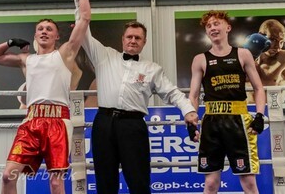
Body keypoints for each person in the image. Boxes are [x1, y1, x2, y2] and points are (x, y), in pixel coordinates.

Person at [0, 0, 90, 194]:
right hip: (32, 122)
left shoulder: (65, 54)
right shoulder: (26, 60)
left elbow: (84, 20)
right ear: (35, 34)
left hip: (58, 122)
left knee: (56, 182)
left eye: (49, 29)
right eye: (40, 28)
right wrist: (10, 42)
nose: (44, 31)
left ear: (56, 37)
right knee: (7, 176)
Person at [78, 10, 198, 193]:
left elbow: (173, 92)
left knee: (138, 179)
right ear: (122, 39)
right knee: (105, 179)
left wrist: (188, 111)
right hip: (103, 123)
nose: (133, 40)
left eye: (137, 38)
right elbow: (84, 30)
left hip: (132, 125)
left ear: (144, 42)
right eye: (129, 37)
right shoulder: (104, 56)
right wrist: (80, 2)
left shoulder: (152, 69)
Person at [188, 10, 266, 194]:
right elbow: (193, 95)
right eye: (209, 26)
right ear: (206, 32)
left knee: (248, 181)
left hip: (239, 121)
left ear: (227, 27)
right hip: (211, 123)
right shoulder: (200, 59)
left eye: (216, 23)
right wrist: (191, 122)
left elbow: (259, 88)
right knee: (211, 183)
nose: (213, 28)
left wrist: (260, 115)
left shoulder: (243, 54)